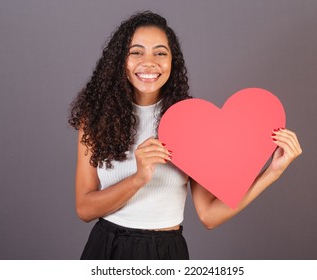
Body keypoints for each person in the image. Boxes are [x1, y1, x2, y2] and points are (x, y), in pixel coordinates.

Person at [68, 11, 302, 260]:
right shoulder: (96, 117)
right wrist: (138, 178)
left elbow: (209, 216)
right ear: (120, 60)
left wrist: (272, 172)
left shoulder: (190, 121)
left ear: (172, 61)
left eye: (160, 53)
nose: (149, 62)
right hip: (107, 248)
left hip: (166, 251)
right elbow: (84, 208)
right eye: (136, 52)